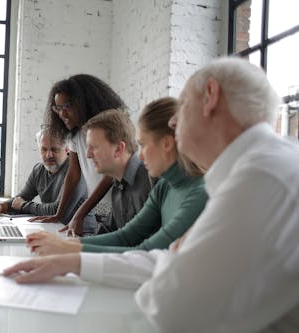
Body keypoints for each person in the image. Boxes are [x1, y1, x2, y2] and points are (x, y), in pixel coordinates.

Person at [2, 57, 299, 332]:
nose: (173, 122)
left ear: (210, 96)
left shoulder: (262, 177)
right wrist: (71, 261)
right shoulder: (260, 169)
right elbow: (161, 261)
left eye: (183, 105)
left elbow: (172, 307)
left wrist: (175, 264)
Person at [27, 97, 207, 255]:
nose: (140, 155)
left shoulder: (189, 190)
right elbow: (125, 236)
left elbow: (148, 251)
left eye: (143, 145)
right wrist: (67, 244)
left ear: (167, 143)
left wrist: (68, 248)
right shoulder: (163, 186)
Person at [33, 74, 131, 236]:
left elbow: (109, 176)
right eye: (58, 108)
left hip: (118, 205)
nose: (62, 114)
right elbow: (73, 174)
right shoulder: (75, 134)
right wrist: (59, 214)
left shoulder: (108, 130)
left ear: (84, 103)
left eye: (67, 106)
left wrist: (80, 214)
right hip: (99, 209)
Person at [0, 129, 84, 223]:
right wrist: (1, 206)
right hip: (53, 227)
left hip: (79, 233)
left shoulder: (74, 171)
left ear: (67, 149)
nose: (48, 155)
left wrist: (23, 205)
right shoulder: (38, 170)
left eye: (54, 149)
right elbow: (22, 197)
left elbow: (55, 210)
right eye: (44, 149)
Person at [84, 108, 152, 232]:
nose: (88, 155)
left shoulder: (151, 179)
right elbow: (112, 233)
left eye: (93, 147)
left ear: (118, 149)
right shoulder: (117, 187)